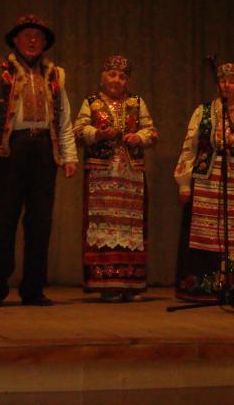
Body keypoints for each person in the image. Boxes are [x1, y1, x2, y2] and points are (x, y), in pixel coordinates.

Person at [0, 14, 78, 307]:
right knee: (5, 218)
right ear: (15, 40)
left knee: (41, 221)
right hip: (10, 150)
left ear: (45, 42)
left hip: (43, 151)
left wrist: (69, 155)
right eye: (27, 35)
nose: (33, 40)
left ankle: (33, 288)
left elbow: (63, 118)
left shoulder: (54, 75)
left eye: (38, 36)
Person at [173, 62, 234, 301]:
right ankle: (204, 286)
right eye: (222, 81)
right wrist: (184, 182)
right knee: (205, 232)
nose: (226, 85)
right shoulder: (203, 111)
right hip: (208, 180)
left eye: (232, 81)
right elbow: (190, 147)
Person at [73, 55, 158, 302]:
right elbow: (78, 131)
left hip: (130, 174)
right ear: (103, 77)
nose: (116, 80)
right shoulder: (91, 102)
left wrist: (139, 138)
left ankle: (131, 284)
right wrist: (98, 134)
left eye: (122, 76)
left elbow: (151, 131)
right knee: (104, 224)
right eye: (112, 75)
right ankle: (106, 284)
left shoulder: (136, 102)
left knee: (130, 226)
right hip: (102, 173)